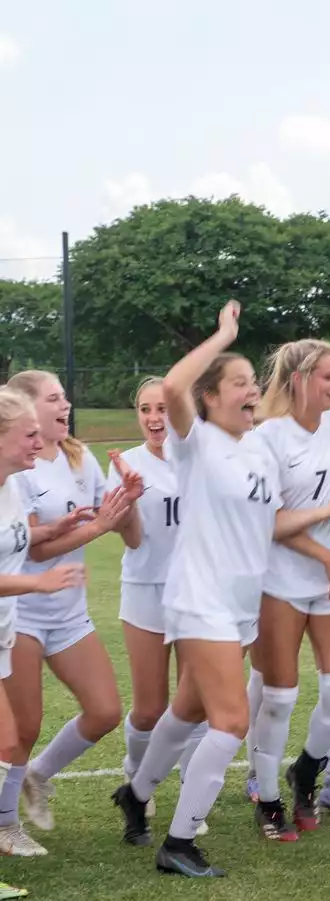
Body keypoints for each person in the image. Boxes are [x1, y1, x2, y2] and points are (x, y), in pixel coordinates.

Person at [110, 301, 330, 877]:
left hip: (240, 608)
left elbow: (269, 525)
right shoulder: (199, 443)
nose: (250, 391)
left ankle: (136, 793)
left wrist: (329, 512)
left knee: (186, 713)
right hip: (200, 603)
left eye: (252, 382)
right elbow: (171, 385)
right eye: (238, 383)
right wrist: (224, 336)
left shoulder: (256, 453)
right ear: (211, 398)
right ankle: (180, 842)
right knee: (230, 722)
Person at [3, 371, 132, 846]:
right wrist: (96, 528)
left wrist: (118, 505)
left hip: (65, 612)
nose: (66, 404)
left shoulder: (76, 457)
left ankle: (37, 776)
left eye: (64, 397)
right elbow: (34, 553)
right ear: (27, 409)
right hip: (24, 615)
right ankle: (5, 825)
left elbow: (96, 518)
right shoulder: (20, 467)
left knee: (104, 712)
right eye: (54, 398)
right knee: (19, 730)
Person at [249, 339, 330, 841]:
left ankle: (306, 771)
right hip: (281, 579)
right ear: (298, 379)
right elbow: (270, 523)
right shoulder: (267, 437)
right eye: (328, 377)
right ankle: (270, 801)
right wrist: (328, 556)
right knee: (280, 696)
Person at [108, 379, 208, 830]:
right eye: (145, 409)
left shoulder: (201, 456)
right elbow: (132, 539)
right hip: (146, 589)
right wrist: (128, 502)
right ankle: (135, 780)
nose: (153, 418)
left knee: (197, 699)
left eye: (162, 408)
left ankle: (191, 794)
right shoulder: (125, 464)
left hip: (197, 592)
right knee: (149, 709)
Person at [0, 387, 85, 893]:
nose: (40, 442)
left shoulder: (13, 484)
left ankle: (6, 829)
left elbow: (14, 537)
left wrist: (59, 525)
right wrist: (39, 582)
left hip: (2, 632)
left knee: (13, 737)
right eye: (29, 434)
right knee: (8, 739)